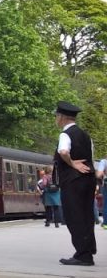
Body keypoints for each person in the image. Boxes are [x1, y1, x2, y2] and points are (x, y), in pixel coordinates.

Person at [54, 101, 96, 266]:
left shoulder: (65, 134)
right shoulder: (86, 136)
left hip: (72, 180)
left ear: (62, 117)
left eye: (56, 117)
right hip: (89, 179)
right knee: (87, 215)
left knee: (74, 216)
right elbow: (91, 156)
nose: (56, 120)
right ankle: (88, 250)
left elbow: (63, 151)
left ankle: (82, 255)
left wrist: (72, 163)